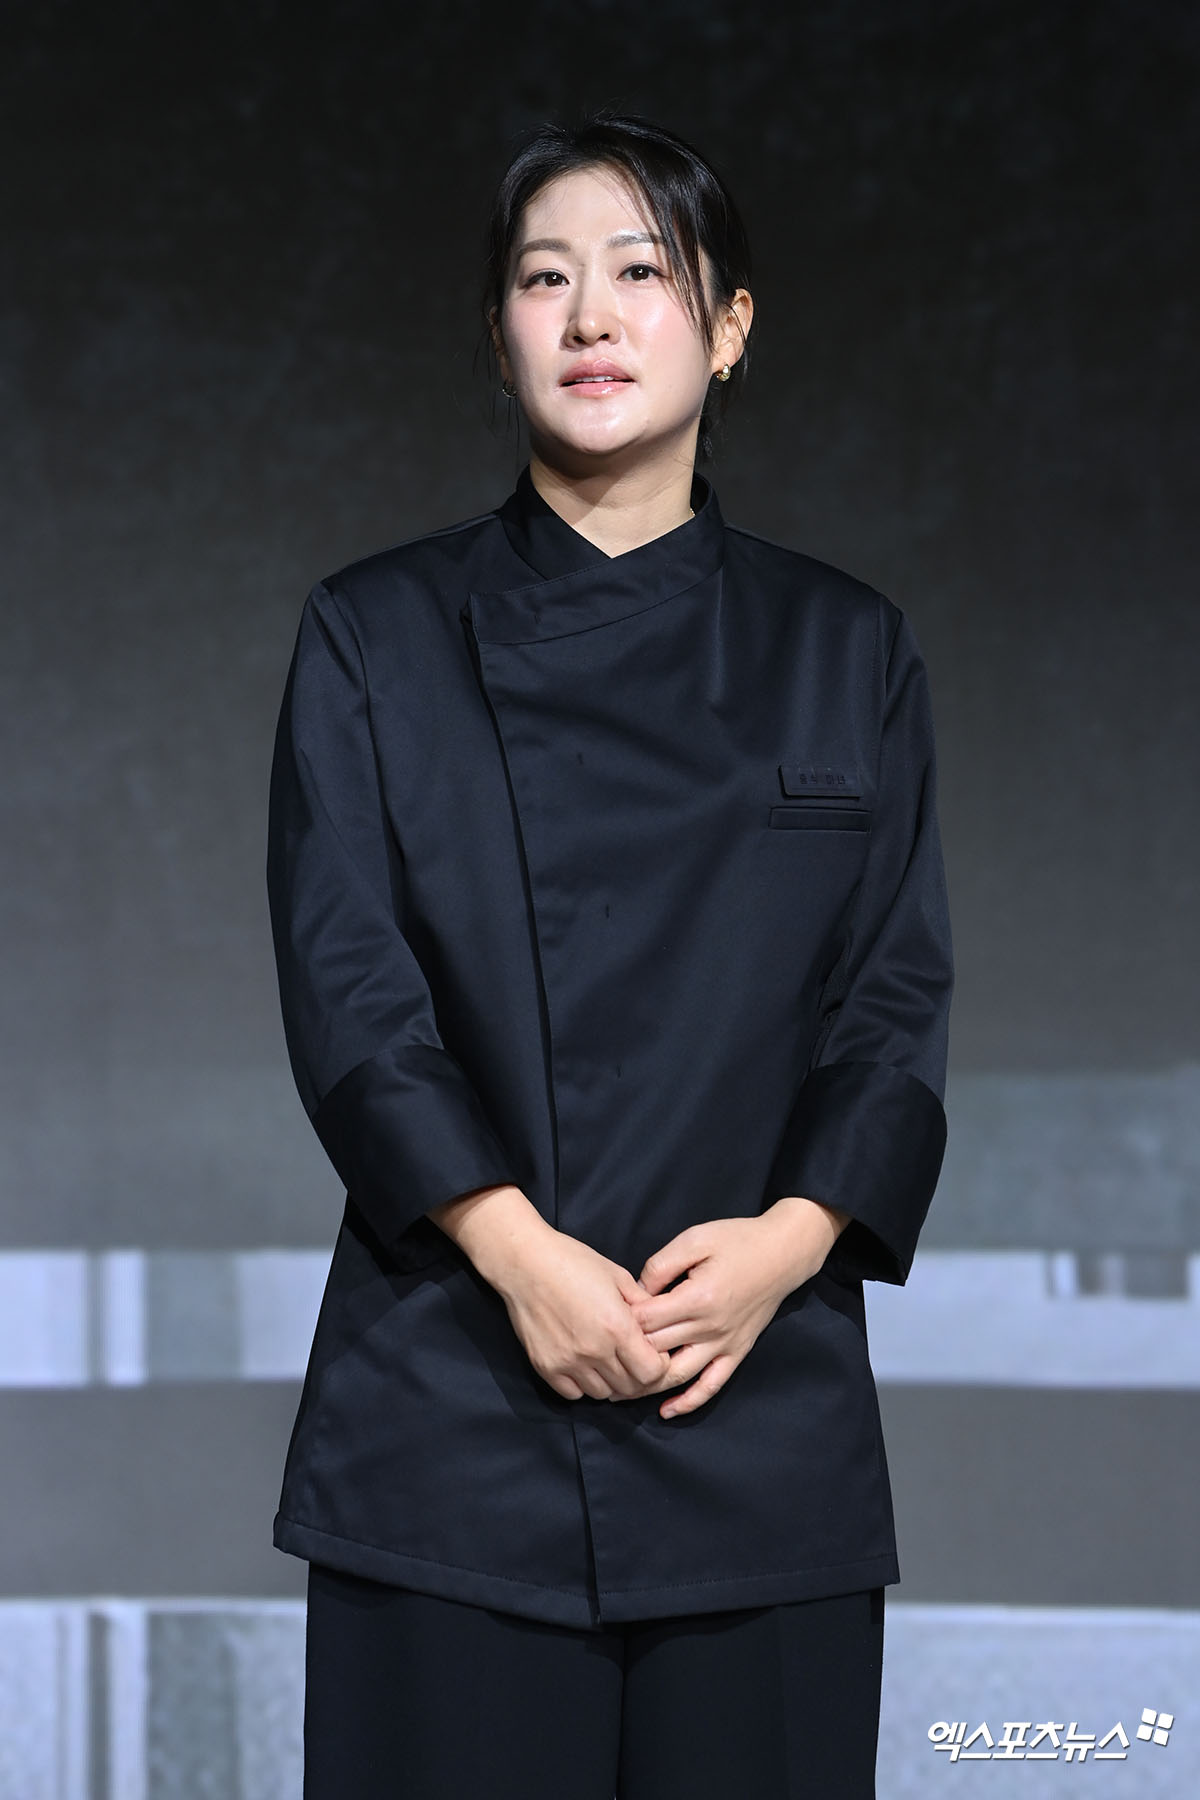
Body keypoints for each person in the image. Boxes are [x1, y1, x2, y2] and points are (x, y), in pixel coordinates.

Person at [267, 108, 953, 1800]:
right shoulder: (374, 635)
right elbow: (354, 998)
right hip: (456, 1409)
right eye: (543, 278)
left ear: (729, 327)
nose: (590, 317)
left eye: (643, 273)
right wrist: (522, 1259)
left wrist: (790, 1246)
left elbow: (890, 1003)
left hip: (760, 1400)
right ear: (498, 333)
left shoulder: (848, 647)